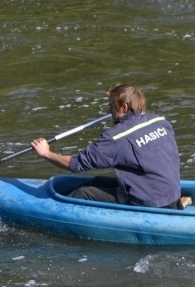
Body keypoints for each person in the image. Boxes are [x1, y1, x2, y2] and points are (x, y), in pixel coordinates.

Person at [31, 84, 184, 209]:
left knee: (83, 192)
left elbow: (75, 165)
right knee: (96, 181)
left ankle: (48, 214)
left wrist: (46, 153)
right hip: (172, 193)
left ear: (124, 107)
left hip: (150, 201)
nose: (109, 111)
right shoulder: (161, 121)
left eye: (111, 106)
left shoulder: (116, 137)